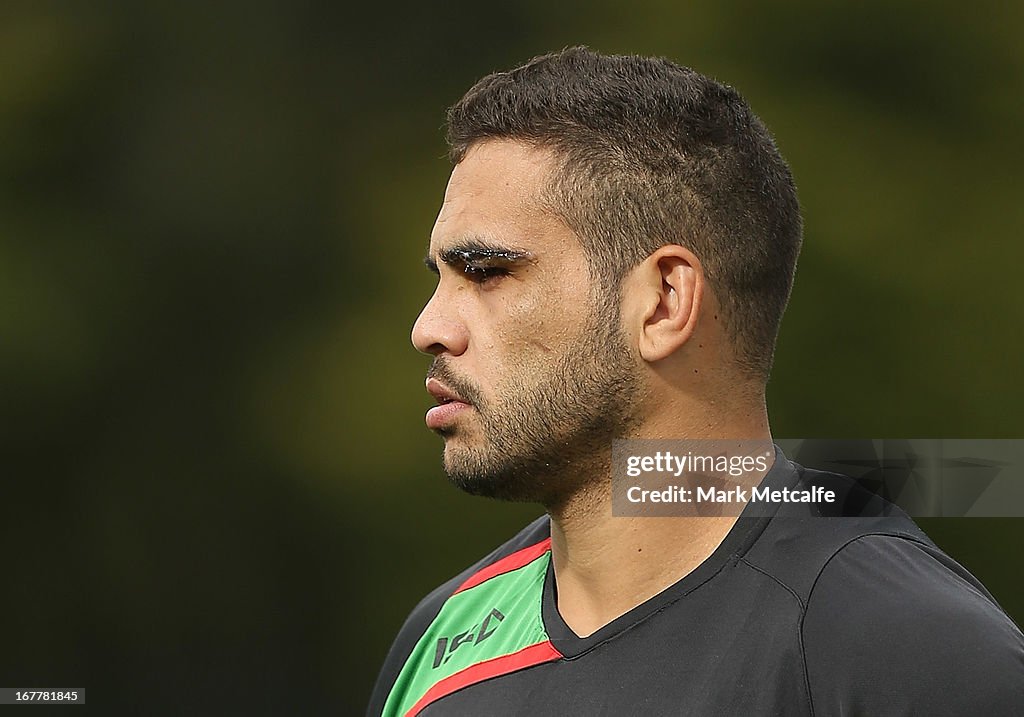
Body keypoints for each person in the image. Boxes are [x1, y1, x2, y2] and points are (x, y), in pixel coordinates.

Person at [367, 47, 1024, 716]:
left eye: (485, 273)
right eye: (439, 279)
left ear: (662, 302)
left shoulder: (902, 646)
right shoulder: (437, 647)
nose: (430, 327)